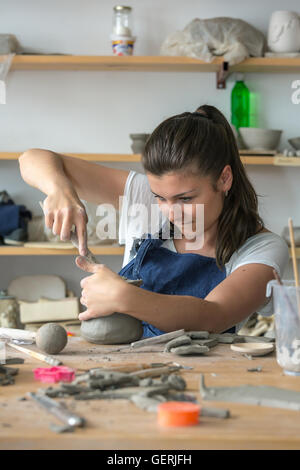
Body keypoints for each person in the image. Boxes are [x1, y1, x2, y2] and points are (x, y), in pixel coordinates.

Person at [19, 105, 289, 337]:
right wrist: (60, 190)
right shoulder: (141, 197)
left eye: (185, 198)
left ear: (224, 179)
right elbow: (31, 158)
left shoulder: (263, 248)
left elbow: (213, 316)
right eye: (160, 197)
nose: (170, 212)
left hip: (203, 377)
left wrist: (124, 297)